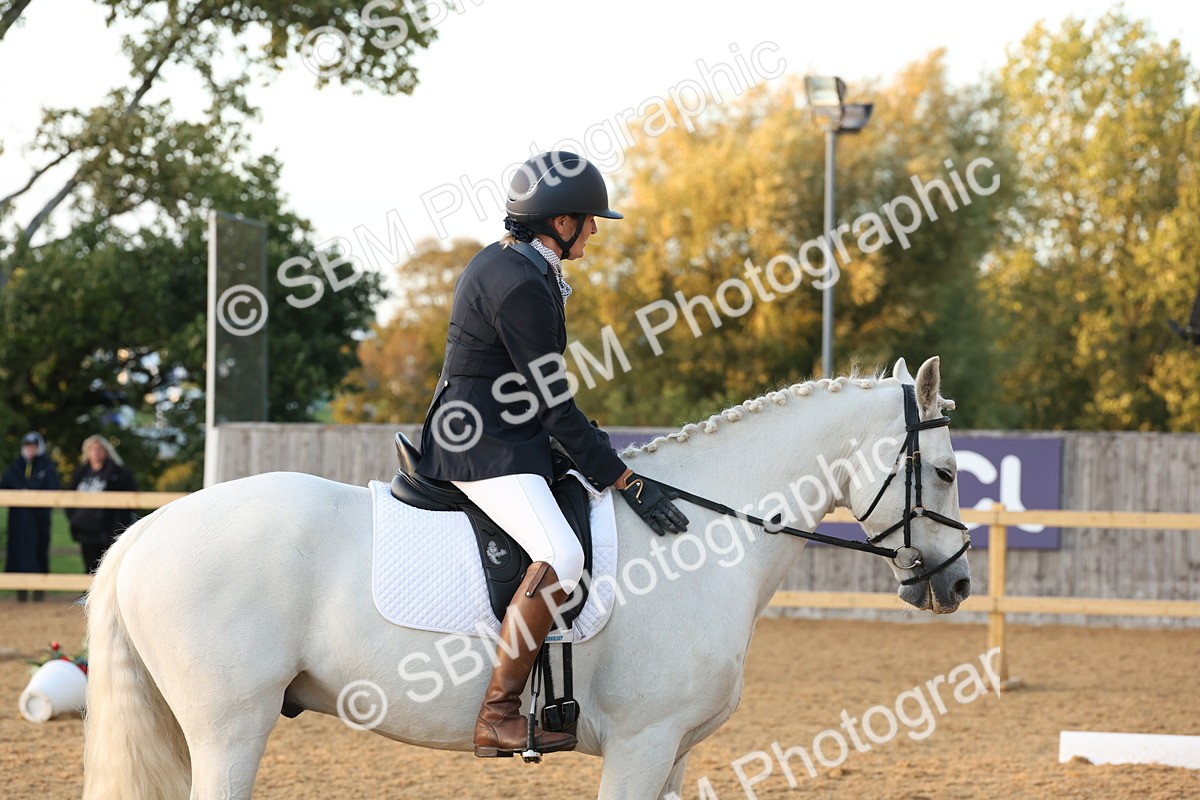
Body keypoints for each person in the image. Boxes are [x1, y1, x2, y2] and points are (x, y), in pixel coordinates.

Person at [417, 151, 690, 758]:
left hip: (503, 429)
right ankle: (498, 712)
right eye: (588, 219)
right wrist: (621, 476)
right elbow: (552, 404)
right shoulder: (520, 285)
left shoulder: (517, 265)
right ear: (557, 222)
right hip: (481, 444)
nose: (595, 229)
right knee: (562, 556)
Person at [1, 432, 60, 601]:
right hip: (18, 521)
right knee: (18, 552)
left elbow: (53, 488)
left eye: (34, 445)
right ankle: (20, 589)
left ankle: (39, 590)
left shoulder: (47, 466)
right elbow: (5, 485)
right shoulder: (15, 466)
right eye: (27, 445)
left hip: (39, 519)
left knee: (39, 549)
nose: (30, 449)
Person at [66, 435, 137, 574]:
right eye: (92, 449)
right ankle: (90, 596)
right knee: (89, 569)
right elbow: (69, 497)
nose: (95, 452)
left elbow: (131, 498)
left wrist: (118, 524)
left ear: (106, 451)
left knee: (109, 569)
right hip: (85, 530)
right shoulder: (81, 473)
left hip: (108, 531)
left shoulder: (118, 473)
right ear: (87, 452)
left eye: (99, 449)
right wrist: (75, 518)